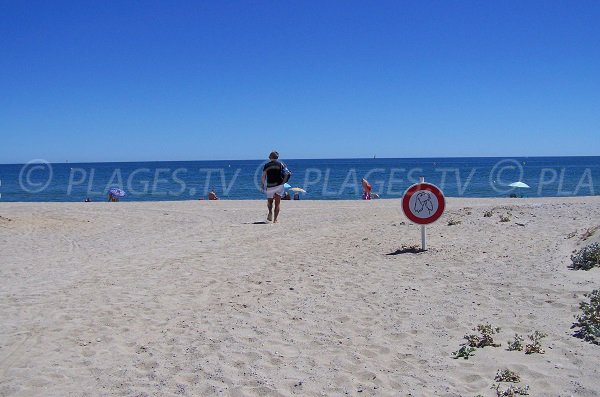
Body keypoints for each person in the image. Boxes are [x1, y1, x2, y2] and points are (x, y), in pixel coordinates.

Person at [261, 151, 287, 223]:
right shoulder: (281, 164)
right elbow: (287, 173)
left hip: (270, 186)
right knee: (277, 203)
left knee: (270, 202)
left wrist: (262, 185)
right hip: (280, 185)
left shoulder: (267, 165)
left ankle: (270, 212)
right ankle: (275, 220)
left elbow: (263, 176)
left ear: (271, 156)